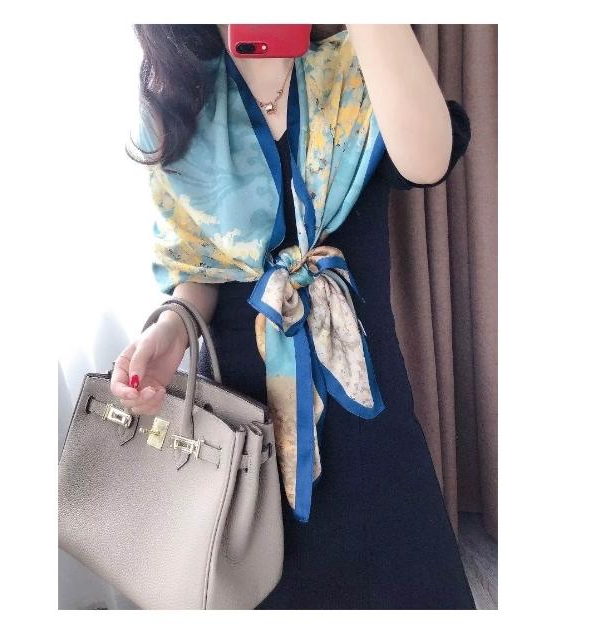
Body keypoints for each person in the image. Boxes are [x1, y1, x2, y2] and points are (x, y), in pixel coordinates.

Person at [112, 24, 476, 609]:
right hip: (242, 428)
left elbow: (428, 160)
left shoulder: (358, 61)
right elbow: (199, 268)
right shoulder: (180, 95)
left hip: (368, 414)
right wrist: (172, 328)